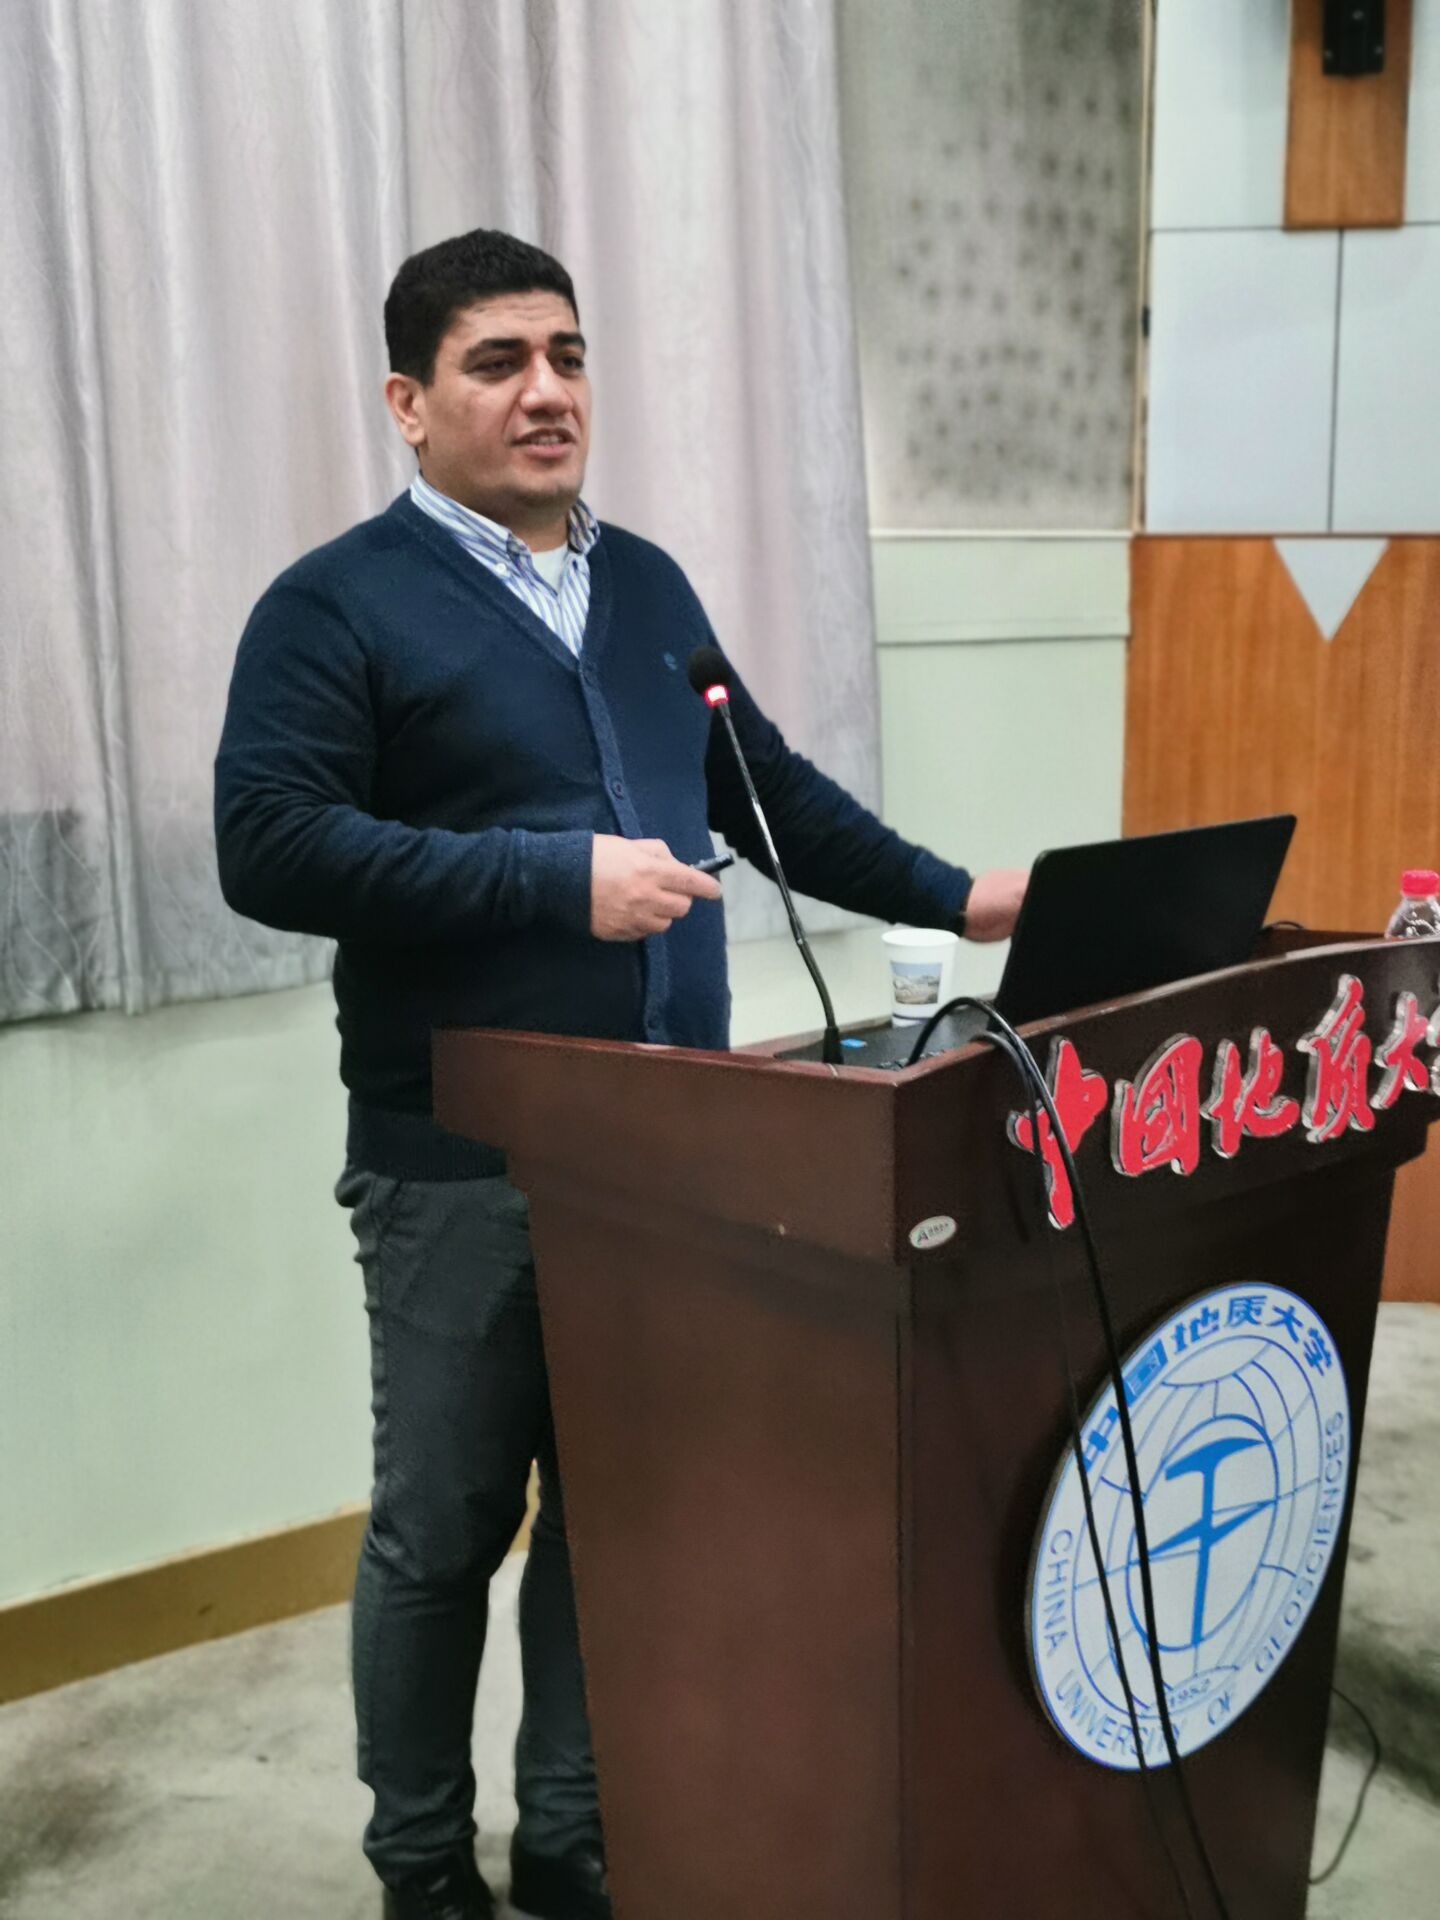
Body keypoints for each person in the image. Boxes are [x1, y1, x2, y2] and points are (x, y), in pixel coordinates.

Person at [214, 228, 1027, 1920]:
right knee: (443, 1529)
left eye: (569, 356)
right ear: (408, 402)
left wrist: (958, 895)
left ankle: (573, 1837)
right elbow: (269, 843)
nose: (548, 392)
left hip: (674, 1149)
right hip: (462, 1161)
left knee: (616, 1512)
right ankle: (420, 1868)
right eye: (499, 362)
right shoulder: (332, 605)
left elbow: (764, 791)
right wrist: (550, 876)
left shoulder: (647, 588)